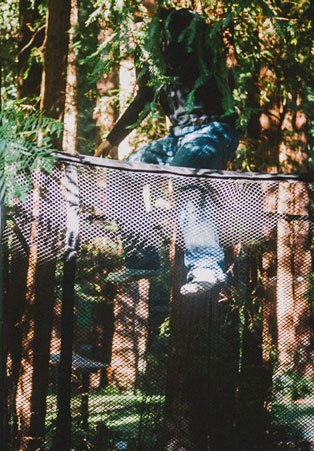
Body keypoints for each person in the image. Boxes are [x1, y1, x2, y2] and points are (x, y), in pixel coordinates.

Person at [95, 0, 239, 296]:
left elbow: (191, 51)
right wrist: (113, 139)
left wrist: (159, 16)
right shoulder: (147, 44)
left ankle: (207, 266)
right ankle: (142, 259)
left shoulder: (185, 22)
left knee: (185, 172)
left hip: (213, 129)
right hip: (178, 136)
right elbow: (145, 95)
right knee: (122, 173)